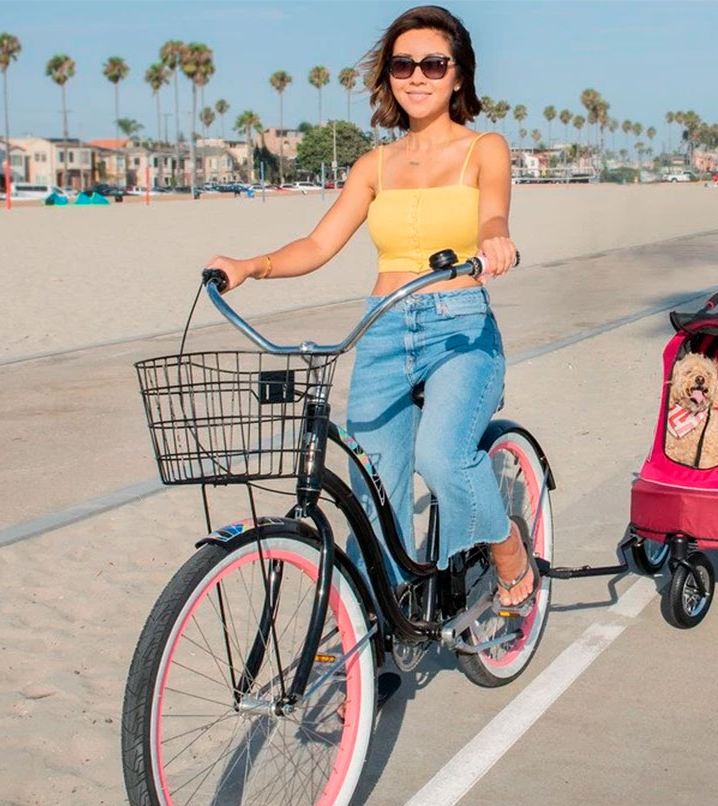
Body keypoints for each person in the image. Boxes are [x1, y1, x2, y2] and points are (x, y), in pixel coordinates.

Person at [202, 5, 534, 606]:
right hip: (382, 331)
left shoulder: (483, 148)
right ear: (389, 75)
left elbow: (492, 213)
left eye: (434, 63)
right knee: (372, 486)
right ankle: (380, 623)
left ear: (458, 75)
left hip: (460, 329)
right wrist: (250, 266)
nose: (417, 76)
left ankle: (507, 547)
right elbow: (319, 243)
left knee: (441, 457)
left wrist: (494, 241)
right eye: (403, 63)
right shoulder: (373, 165)